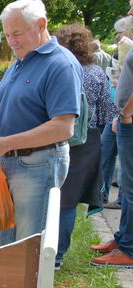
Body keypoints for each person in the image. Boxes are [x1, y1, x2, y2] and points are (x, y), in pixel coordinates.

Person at [0, 0, 82, 249]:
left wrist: (5, 143)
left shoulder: (60, 64)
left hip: (38, 163)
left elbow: (63, 127)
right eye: (7, 35)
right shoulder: (20, 60)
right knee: (1, 242)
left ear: (41, 25)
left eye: (17, 33)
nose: (12, 41)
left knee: (26, 247)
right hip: (9, 162)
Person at [53, 23, 117, 269]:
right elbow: (106, 113)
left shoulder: (59, 70)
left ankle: (42, 250)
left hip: (55, 136)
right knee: (68, 200)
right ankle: (58, 256)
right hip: (86, 140)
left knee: (49, 195)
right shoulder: (96, 73)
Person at [89, 0, 133, 267]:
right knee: (127, 187)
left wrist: (126, 114)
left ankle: (128, 249)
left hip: (130, 120)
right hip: (126, 120)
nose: (129, 13)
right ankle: (122, 238)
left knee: (130, 186)